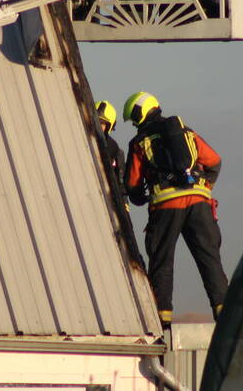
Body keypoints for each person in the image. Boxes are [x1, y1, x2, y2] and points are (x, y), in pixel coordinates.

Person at [121, 91, 228, 328]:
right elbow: (214, 161)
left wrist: (141, 197)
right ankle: (224, 314)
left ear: (140, 114)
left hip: (166, 206)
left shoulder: (139, 142)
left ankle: (163, 321)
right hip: (199, 203)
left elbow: (132, 185)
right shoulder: (186, 132)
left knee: (162, 261)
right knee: (209, 258)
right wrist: (203, 186)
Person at [96, 100, 125, 185]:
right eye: (96, 121)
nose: (97, 125)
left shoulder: (113, 148)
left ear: (110, 126)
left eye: (102, 123)